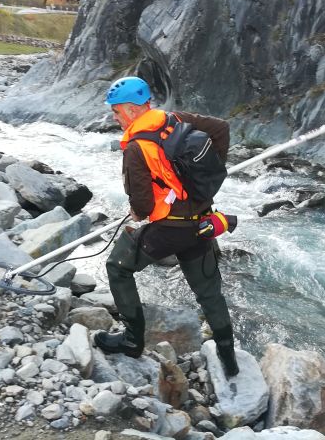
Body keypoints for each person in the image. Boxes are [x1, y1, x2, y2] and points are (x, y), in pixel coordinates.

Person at [94, 76, 240, 378]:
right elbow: (221, 129)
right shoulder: (174, 119)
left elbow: (145, 207)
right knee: (209, 293)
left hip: (169, 230)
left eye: (117, 111)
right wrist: (207, 182)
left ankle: (132, 340)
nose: (114, 117)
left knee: (118, 267)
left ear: (133, 110)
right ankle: (228, 356)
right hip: (201, 222)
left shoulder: (136, 147)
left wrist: (136, 211)